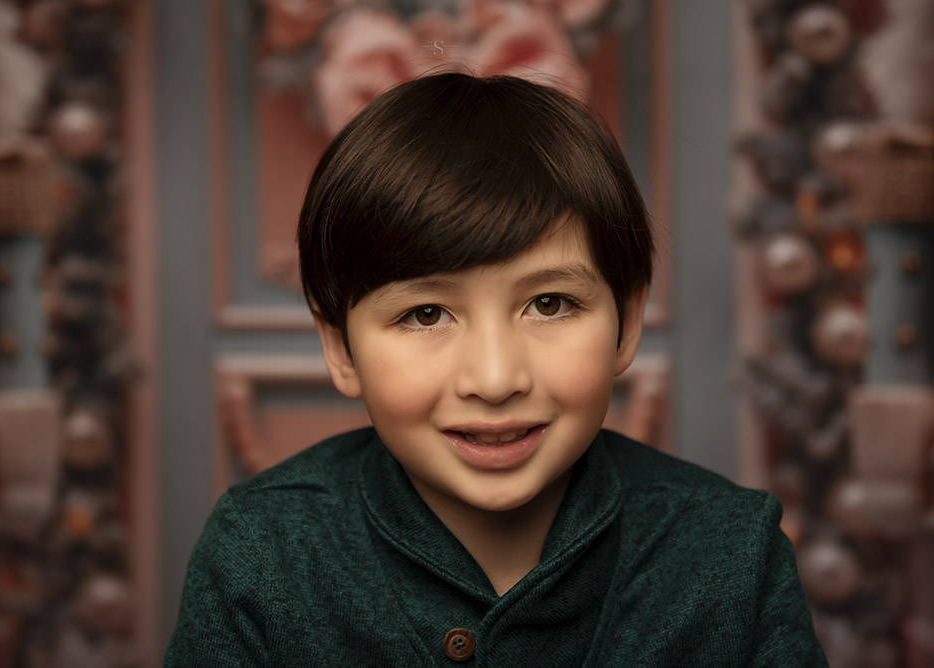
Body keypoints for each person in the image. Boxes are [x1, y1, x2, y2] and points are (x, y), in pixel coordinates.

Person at [164, 73, 827, 667]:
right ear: (340, 348)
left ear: (626, 323)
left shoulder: (732, 556)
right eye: (426, 315)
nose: (494, 377)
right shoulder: (261, 555)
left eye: (549, 304)